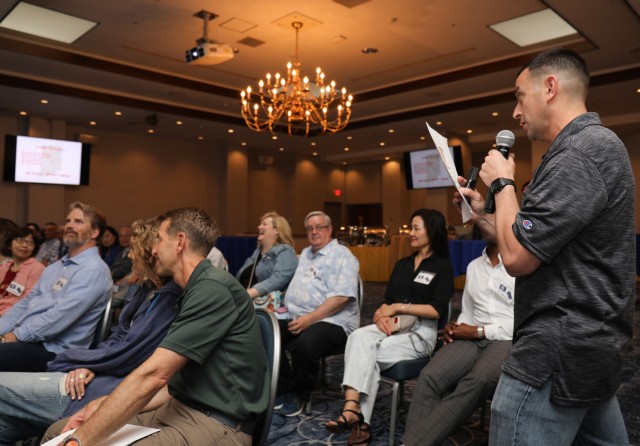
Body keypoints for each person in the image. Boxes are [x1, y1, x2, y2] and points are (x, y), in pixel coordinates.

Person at [454, 48, 635, 445]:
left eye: (519, 95)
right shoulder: (587, 148)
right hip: (586, 344)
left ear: (550, 87)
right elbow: (541, 239)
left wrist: (502, 183)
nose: (515, 113)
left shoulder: (580, 153)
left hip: (557, 350)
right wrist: (485, 213)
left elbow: (516, 257)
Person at [42, 207, 269, 446]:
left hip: (218, 424)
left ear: (179, 242)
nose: (152, 249)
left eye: (159, 240)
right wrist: (102, 405)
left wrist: (81, 440)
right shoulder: (191, 289)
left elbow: (153, 376)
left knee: (75, 440)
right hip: (178, 406)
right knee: (58, 432)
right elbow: (172, 384)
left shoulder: (213, 288)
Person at [0, 217, 181, 444]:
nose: (131, 256)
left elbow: (135, 358)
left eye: (134, 249)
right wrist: (90, 364)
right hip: (97, 369)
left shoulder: (169, 298)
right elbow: (118, 338)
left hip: (107, 384)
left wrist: (91, 364)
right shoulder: (145, 289)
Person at [325, 209, 453, 445]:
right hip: (391, 327)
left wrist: (398, 308)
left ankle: (358, 420)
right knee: (357, 337)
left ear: (432, 231)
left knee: (365, 353)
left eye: (416, 228)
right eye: (410, 227)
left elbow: (437, 310)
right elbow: (386, 301)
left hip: (421, 333)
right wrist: (380, 317)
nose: (410, 233)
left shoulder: (442, 267)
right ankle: (354, 411)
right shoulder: (402, 264)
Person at [401, 238, 514, 446]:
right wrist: (458, 326)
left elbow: (526, 322)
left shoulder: (521, 265)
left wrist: (480, 331)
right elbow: (469, 312)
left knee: (478, 380)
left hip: (507, 339)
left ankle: (411, 443)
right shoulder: (474, 266)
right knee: (430, 375)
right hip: (471, 335)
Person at [0, 202, 112, 372]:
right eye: (68, 221)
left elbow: (60, 316)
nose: (69, 226)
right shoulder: (55, 268)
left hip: (54, 351)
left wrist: (16, 335)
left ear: (94, 232)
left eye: (78, 222)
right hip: (30, 340)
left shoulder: (93, 270)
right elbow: (26, 303)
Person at [278, 211, 360, 416]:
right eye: (310, 228)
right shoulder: (306, 253)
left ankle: (299, 394)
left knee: (305, 344)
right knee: (265, 332)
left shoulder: (342, 255)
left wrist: (309, 319)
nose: (314, 232)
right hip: (298, 315)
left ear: (330, 229)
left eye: (319, 227)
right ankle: (284, 386)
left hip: (335, 320)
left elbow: (342, 298)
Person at [236, 211, 298, 301]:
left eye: (264, 224)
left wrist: (248, 293)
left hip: (264, 308)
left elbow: (278, 279)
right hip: (244, 301)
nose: (259, 227)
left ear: (277, 230)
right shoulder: (257, 252)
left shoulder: (285, 252)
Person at [0, 227, 45, 315]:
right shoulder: (3, 267)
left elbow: (28, 300)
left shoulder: (37, 268)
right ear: (9, 245)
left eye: (30, 243)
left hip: (13, 316)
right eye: (20, 241)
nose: (25, 245)